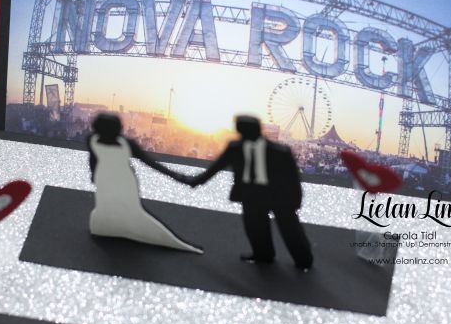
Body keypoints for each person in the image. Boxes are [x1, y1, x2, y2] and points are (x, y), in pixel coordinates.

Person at [185, 115, 313, 270]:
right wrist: (197, 180)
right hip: (251, 194)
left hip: (279, 195)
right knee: (255, 227)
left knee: (290, 228)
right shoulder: (235, 148)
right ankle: (263, 255)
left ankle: (303, 259)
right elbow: (216, 168)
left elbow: (293, 178)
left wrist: (296, 200)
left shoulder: (280, 152)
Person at [88, 113, 202, 254]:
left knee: (121, 207)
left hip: (112, 179)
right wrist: (180, 177)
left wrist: (93, 174)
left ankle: (112, 228)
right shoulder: (124, 143)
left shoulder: (94, 139)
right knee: (112, 205)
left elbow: (93, 160)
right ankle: (115, 228)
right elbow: (150, 163)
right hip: (112, 179)